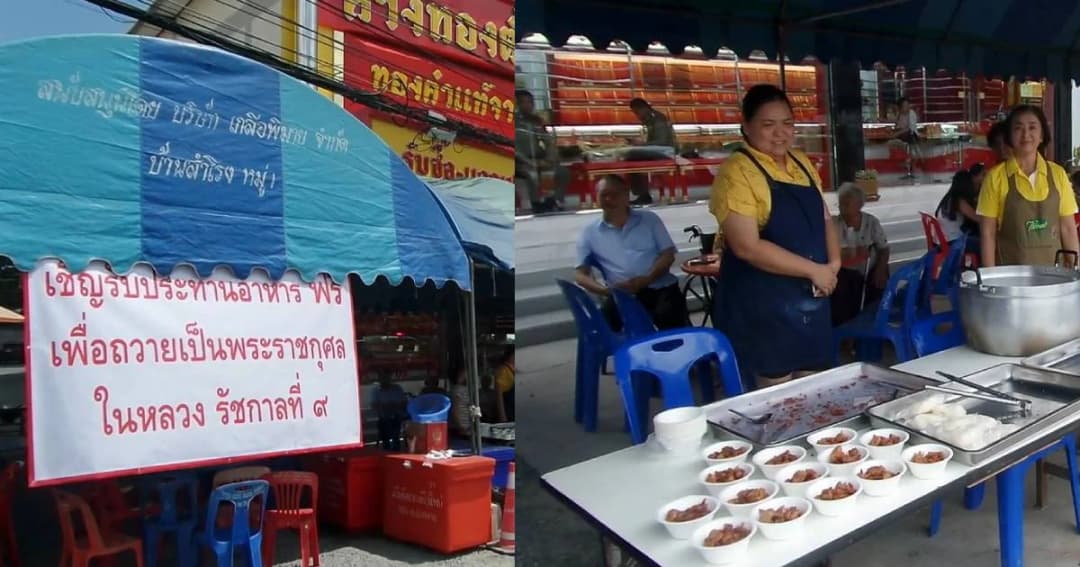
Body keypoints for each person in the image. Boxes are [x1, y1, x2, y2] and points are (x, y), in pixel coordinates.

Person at [710, 84, 841, 390]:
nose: (780, 133)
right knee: (779, 394)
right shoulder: (737, 172)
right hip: (764, 302)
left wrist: (832, 266)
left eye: (788, 124)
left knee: (814, 387)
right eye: (768, 125)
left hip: (812, 296)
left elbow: (824, 218)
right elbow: (746, 246)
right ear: (746, 126)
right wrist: (814, 270)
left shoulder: (801, 163)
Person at [576, 174, 690, 331]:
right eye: (604, 195)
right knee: (600, 328)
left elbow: (668, 255)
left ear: (626, 195)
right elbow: (580, 275)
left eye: (614, 194)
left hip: (659, 288)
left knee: (670, 320)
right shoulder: (589, 233)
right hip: (619, 295)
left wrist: (647, 279)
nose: (609, 199)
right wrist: (605, 291)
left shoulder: (649, 220)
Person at [976, 105, 1080, 267]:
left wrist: (1076, 270)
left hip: (1054, 278)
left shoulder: (1058, 174)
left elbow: (1068, 228)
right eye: (1018, 128)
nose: (1026, 134)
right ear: (1009, 136)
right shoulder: (995, 178)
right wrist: (990, 277)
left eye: (1032, 127)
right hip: (1011, 279)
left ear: (1041, 135)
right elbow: (988, 233)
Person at [831, 183, 890, 326]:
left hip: (869, 268)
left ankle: (874, 324)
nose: (841, 207)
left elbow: (884, 248)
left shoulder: (871, 222)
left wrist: (880, 269)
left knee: (879, 284)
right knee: (840, 292)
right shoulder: (834, 224)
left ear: (859, 205)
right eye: (840, 203)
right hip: (844, 271)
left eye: (846, 203)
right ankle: (845, 330)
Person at [515, 89, 569, 214]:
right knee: (532, 174)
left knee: (560, 172)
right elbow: (514, 149)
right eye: (524, 102)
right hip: (519, 161)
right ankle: (536, 204)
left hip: (538, 158)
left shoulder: (537, 121)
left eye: (530, 102)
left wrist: (549, 159)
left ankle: (553, 201)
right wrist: (528, 162)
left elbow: (548, 141)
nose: (528, 105)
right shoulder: (513, 122)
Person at [624, 98, 678, 206]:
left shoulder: (658, 119)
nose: (637, 116)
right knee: (633, 155)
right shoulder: (651, 119)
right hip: (660, 150)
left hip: (667, 151)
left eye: (637, 112)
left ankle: (643, 194)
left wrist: (642, 145)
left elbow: (662, 142)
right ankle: (642, 193)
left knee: (632, 156)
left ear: (643, 108)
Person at [936, 168, 982, 244]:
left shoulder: (950, 198)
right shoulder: (959, 201)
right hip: (954, 242)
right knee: (987, 242)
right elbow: (978, 219)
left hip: (945, 240)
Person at [371, 371, 408, 451]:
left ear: (390, 378)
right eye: (382, 378)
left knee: (395, 421)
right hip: (384, 415)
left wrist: (393, 406)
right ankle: (386, 446)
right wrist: (385, 407)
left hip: (396, 415)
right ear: (379, 379)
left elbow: (404, 402)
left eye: (386, 378)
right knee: (383, 423)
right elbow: (374, 405)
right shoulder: (376, 390)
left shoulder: (397, 388)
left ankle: (396, 445)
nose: (384, 380)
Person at [894, 97, 920, 177]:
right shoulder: (899, 114)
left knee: (912, 153)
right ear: (900, 107)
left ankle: (911, 170)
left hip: (911, 136)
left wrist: (898, 133)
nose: (907, 107)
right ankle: (908, 169)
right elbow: (897, 123)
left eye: (908, 105)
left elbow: (910, 128)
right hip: (903, 136)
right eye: (905, 105)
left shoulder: (911, 113)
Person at [494, 346, 515, 422]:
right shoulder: (504, 371)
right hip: (509, 413)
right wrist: (503, 417)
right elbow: (498, 395)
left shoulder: (514, 368)